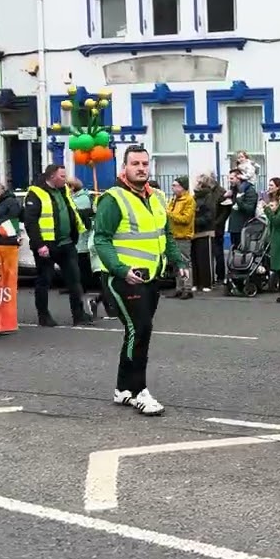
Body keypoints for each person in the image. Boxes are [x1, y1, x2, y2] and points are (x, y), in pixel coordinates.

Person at [91, 146, 188, 416]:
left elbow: (165, 234)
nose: (141, 168)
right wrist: (121, 269)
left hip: (151, 278)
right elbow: (102, 239)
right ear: (125, 168)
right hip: (123, 279)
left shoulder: (156, 197)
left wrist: (178, 261)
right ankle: (138, 391)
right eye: (135, 163)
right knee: (140, 330)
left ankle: (122, 389)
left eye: (145, 163)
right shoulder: (113, 198)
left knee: (136, 332)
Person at [23, 165, 92, 328]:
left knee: (75, 280)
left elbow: (70, 211)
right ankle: (44, 316)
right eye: (62, 176)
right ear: (52, 177)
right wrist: (40, 245)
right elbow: (30, 222)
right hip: (46, 245)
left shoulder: (64, 191)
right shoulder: (35, 193)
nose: (65, 179)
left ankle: (79, 314)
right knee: (44, 281)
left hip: (66, 243)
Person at [167, 177, 196, 299]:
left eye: (175, 185)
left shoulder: (189, 200)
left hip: (183, 235)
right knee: (176, 263)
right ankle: (179, 288)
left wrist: (169, 214)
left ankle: (187, 288)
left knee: (185, 262)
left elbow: (186, 219)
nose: (173, 188)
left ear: (182, 187)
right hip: (173, 235)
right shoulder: (174, 199)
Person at [191, 173, 220, 292]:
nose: (195, 184)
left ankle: (207, 283)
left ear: (202, 184)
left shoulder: (209, 196)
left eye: (197, 181)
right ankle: (196, 282)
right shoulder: (194, 197)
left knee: (205, 259)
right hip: (194, 232)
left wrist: (195, 221)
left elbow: (210, 215)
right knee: (195, 258)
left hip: (206, 231)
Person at [224, 168, 258, 255]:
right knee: (234, 252)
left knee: (243, 253)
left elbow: (250, 209)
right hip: (234, 228)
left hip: (244, 228)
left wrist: (239, 200)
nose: (229, 181)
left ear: (239, 178)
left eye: (231, 178)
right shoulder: (234, 190)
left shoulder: (249, 190)